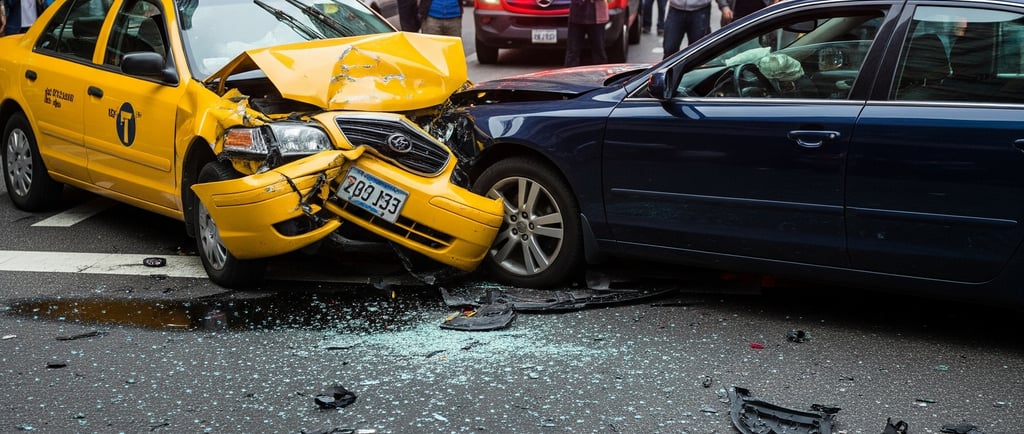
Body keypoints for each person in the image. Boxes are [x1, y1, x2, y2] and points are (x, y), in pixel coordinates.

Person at [662, 0, 731, 59]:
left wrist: (724, 6)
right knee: (669, 49)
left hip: (700, 11)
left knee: (698, 52)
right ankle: (668, 73)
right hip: (675, 9)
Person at [564, 0, 608, 66]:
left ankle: (602, 75)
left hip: (597, 18)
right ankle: (570, 75)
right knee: (572, 52)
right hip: (576, 17)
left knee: (599, 51)